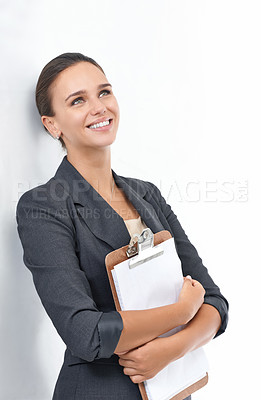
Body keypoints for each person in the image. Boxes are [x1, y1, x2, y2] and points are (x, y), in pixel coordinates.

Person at [16, 52, 229, 400]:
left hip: (172, 389)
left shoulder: (148, 195)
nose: (99, 107)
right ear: (52, 124)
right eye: (77, 100)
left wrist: (172, 349)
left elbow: (215, 302)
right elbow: (86, 332)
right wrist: (181, 311)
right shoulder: (45, 205)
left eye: (104, 92)